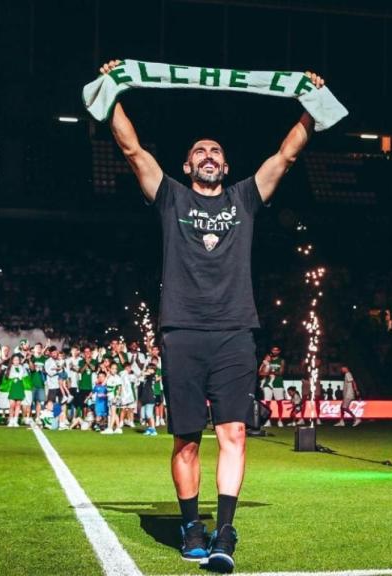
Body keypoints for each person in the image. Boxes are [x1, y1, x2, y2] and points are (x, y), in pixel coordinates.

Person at [102, 58, 326, 571]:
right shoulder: (170, 197)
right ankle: (191, 526)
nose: (209, 155)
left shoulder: (245, 197)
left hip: (234, 333)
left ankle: (224, 529)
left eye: (216, 151)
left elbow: (287, 155)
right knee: (186, 441)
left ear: (225, 167)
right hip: (181, 332)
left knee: (234, 433)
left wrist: (310, 108)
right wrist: (112, 92)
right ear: (187, 166)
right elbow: (131, 149)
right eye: (200, 151)